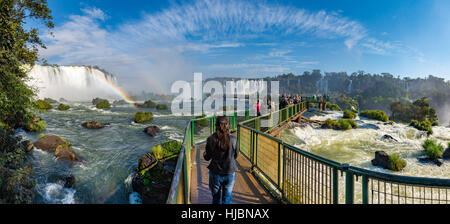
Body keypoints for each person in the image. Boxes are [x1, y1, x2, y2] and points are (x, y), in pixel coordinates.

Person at [204, 116, 239, 204]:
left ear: (216, 125)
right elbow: (236, 155)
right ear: (227, 125)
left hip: (215, 173)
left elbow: (207, 157)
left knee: (216, 199)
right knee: (227, 200)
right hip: (230, 172)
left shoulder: (211, 139)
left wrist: (205, 153)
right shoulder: (234, 139)